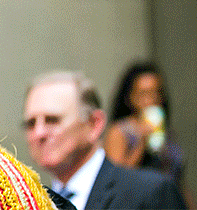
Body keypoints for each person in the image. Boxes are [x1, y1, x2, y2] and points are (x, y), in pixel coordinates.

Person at [22, 70, 186, 210]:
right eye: (30, 123)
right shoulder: (29, 203)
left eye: (52, 120)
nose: (39, 133)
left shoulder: (151, 192)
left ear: (94, 124)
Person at [105, 61, 191, 207]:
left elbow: (178, 181)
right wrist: (141, 142)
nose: (151, 100)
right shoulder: (119, 131)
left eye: (156, 92)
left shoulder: (166, 132)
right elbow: (114, 180)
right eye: (143, 94)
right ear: (129, 97)